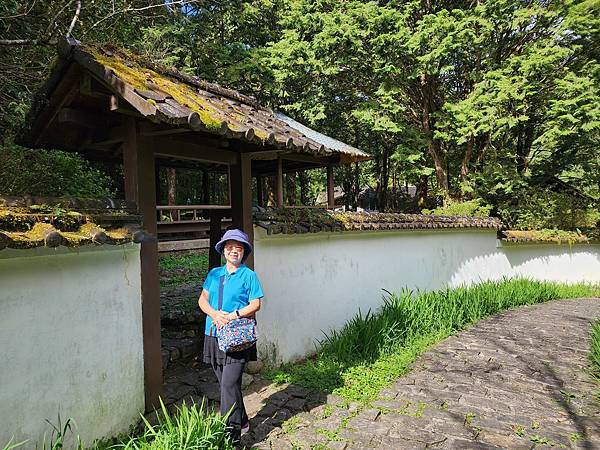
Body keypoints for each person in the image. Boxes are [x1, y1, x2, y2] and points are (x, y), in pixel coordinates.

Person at [198, 228, 264, 444]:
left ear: (243, 252)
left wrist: (233, 315)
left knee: (228, 385)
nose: (234, 250)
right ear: (223, 250)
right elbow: (202, 300)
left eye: (238, 247)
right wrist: (215, 314)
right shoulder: (214, 274)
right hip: (213, 334)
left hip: (236, 338)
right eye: (230, 247)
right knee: (229, 385)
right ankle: (243, 420)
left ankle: (231, 436)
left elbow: (256, 304)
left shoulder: (249, 275)